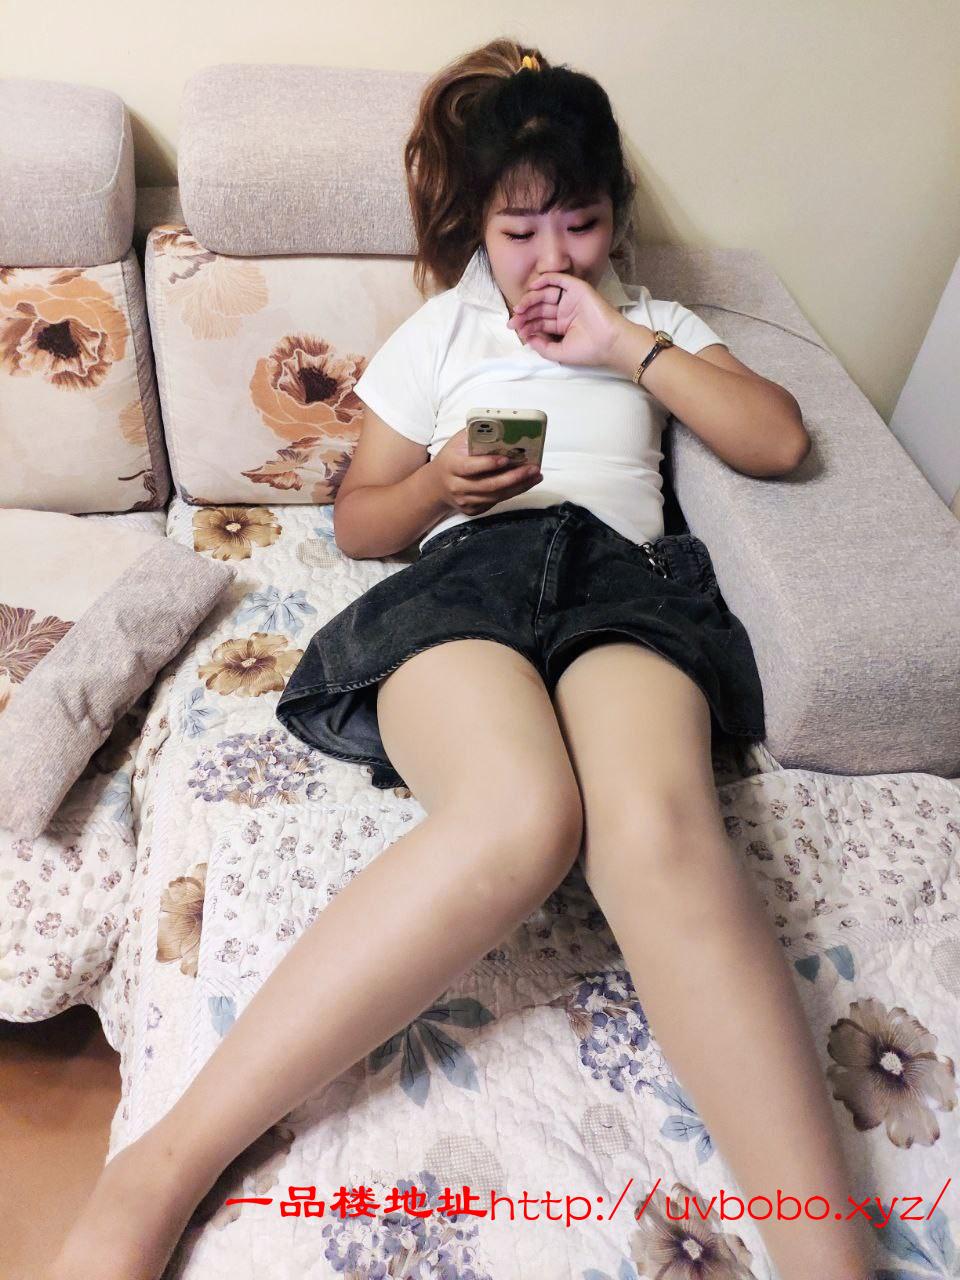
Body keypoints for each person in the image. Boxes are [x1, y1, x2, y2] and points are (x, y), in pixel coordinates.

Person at [43, 38, 876, 1280]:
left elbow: (777, 439)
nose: (552, 260)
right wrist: (440, 482)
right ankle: (157, 1169)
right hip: (467, 577)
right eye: (519, 232)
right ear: (479, 232)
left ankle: (828, 1257)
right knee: (519, 814)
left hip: (620, 579)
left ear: (616, 220)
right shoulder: (443, 333)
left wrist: (621, 347)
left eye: (579, 225)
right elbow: (358, 521)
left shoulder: (653, 324)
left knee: (656, 826)